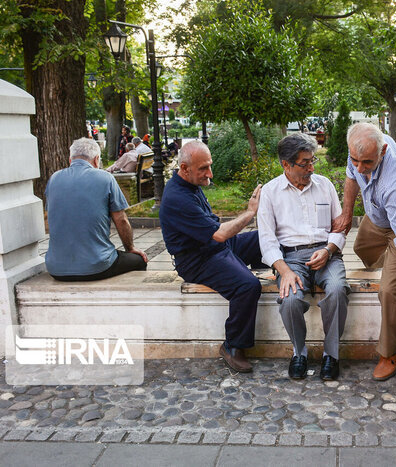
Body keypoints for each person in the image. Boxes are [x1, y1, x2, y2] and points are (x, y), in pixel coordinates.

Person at [159, 141, 263, 373]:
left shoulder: (189, 184)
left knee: (265, 239)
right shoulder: (178, 198)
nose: (210, 174)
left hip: (215, 246)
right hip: (197, 260)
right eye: (203, 169)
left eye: (209, 166)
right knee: (247, 285)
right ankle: (233, 346)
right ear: (184, 168)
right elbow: (219, 234)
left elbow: (217, 233)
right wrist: (250, 212)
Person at [331, 122, 396, 381]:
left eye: (367, 163)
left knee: (389, 291)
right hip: (376, 217)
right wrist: (347, 214)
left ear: (382, 151)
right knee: (360, 247)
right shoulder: (360, 152)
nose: (360, 167)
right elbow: (351, 176)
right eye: (355, 160)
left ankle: (389, 353)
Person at [258, 133, 350, 381]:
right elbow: (266, 240)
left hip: (326, 253)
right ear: (285, 164)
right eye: (305, 163)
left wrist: (329, 249)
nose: (311, 167)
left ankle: (332, 355)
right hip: (290, 259)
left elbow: (338, 228)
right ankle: (299, 353)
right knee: (289, 299)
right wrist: (284, 270)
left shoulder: (325, 185)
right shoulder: (270, 192)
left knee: (338, 290)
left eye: (313, 161)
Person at [45, 138, 148, 281]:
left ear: (70, 160)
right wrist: (130, 248)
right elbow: (121, 220)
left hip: (55, 268)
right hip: (96, 266)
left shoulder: (54, 179)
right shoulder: (105, 178)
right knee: (138, 260)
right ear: (96, 160)